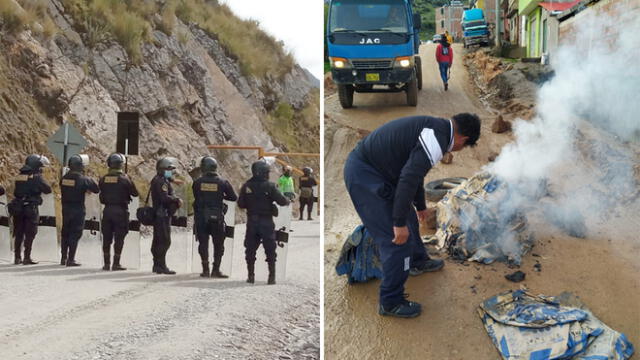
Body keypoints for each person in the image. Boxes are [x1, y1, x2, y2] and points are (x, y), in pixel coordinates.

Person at [343, 113, 481, 318]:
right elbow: (408, 178)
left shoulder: (437, 130)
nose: (459, 150)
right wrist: (398, 223)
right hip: (365, 176)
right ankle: (391, 302)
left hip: (381, 172)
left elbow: (415, 173)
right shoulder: (436, 139)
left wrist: (420, 206)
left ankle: (417, 261)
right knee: (396, 239)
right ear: (464, 139)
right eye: (464, 147)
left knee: (408, 218)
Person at [238, 160, 290, 285]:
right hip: (266, 222)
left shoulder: (246, 186)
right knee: (270, 249)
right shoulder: (270, 186)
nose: (268, 174)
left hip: (252, 222)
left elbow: (241, 204)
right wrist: (287, 200)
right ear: (261, 172)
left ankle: (251, 276)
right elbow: (282, 201)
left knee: (250, 249)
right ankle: (271, 277)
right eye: (266, 172)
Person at [192, 156, 237, 278]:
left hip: (201, 217)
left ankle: (205, 270)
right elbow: (233, 197)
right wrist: (221, 197)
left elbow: (196, 197)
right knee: (218, 245)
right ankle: (216, 269)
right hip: (217, 217)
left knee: (203, 244)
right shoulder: (223, 182)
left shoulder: (197, 183)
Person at [99, 153, 138, 271]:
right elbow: (135, 193)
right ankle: (116, 263)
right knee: (119, 238)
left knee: (106, 237)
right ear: (121, 165)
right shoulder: (125, 179)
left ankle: (106, 264)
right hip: (121, 211)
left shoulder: (103, 179)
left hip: (107, 211)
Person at [11, 154, 52, 265]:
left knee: (18, 232)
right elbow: (48, 189)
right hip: (30, 208)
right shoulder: (37, 177)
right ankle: (27, 257)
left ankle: (17, 257)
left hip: (18, 208)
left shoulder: (19, 176)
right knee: (30, 233)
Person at [60, 154, 99, 267]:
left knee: (65, 233)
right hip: (77, 209)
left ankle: (63, 258)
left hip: (65, 209)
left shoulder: (64, 179)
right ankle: (71, 259)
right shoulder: (83, 179)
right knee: (75, 233)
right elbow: (96, 189)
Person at [150, 157, 183, 275]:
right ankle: (161, 265)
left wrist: (174, 181)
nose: (170, 171)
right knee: (165, 240)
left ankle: (157, 265)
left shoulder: (159, 179)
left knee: (158, 240)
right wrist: (176, 199)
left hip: (159, 214)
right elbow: (164, 198)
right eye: (168, 169)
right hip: (162, 214)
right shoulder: (161, 181)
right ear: (163, 169)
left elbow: (168, 179)